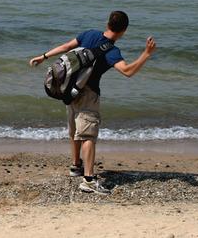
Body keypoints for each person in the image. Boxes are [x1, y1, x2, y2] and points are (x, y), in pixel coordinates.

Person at [29, 11, 156, 195]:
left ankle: (75, 166)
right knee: (88, 135)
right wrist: (146, 54)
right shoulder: (112, 51)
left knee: (74, 129)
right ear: (124, 31)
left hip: (70, 89)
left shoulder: (89, 34)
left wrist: (43, 56)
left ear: (108, 23)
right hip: (88, 94)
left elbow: (66, 46)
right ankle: (88, 180)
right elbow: (128, 71)